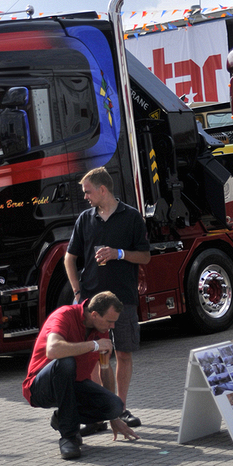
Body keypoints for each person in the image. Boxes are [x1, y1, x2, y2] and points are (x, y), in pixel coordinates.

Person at [64, 167, 151, 430]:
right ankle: (100, 412)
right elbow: (70, 258)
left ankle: (120, 409)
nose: (85, 197)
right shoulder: (85, 219)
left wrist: (119, 254)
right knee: (93, 355)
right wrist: (78, 292)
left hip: (123, 299)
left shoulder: (131, 217)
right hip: (92, 303)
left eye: (88, 191)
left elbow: (145, 256)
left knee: (123, 353)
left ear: (103, 189)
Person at [22, 291, 140, 460]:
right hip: (40, 386)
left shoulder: (101, 328)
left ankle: (63, 417)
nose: (112, 326)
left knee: (114, 406)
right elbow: (53, 350)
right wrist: (93, 345)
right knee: (65, 362)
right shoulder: (64, 315)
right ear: (94, 314)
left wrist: (113, 418)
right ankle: (68, 437)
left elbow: (105, 369)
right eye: (110, 321)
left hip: (74, 385)